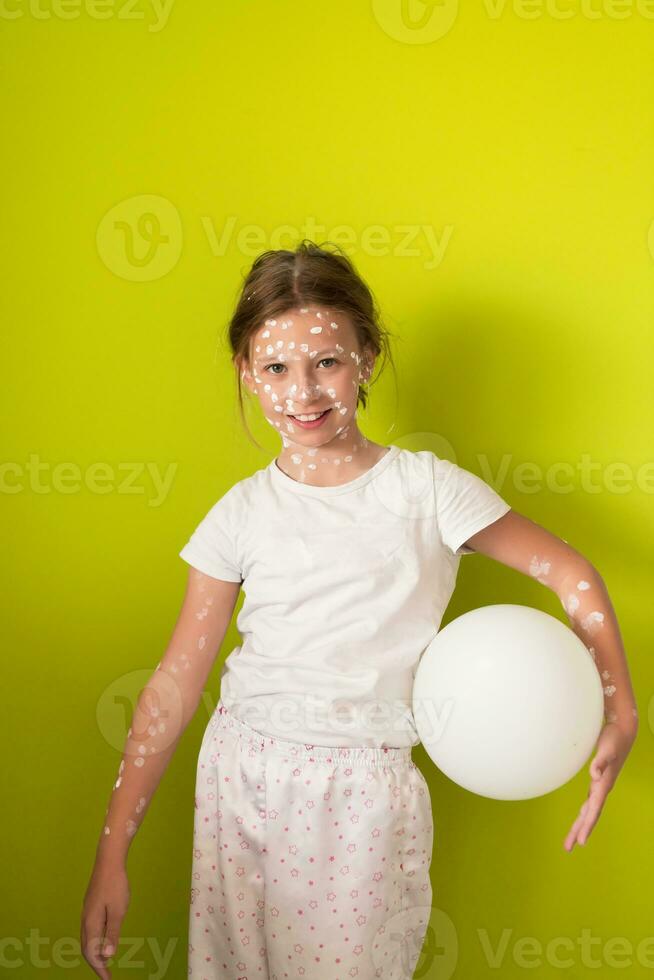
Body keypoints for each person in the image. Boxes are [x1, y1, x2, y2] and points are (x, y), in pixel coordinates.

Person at [81, 240, 638, 979]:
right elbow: (176, 683)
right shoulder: (239, 515)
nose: (302, 392)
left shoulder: (427, 491)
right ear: (246, 372)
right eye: (276, 368)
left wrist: (618, 706)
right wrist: (111, 852)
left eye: (327, 363)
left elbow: (572, 575)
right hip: (239, 781)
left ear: (367, 357)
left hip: (363, 801)